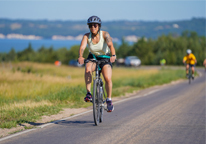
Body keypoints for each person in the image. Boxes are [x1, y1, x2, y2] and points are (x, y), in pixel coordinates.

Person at [78, 16, 116, 112]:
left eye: (95, 25)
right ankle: (89, 93)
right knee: (87, 69)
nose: (93, 27)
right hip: (93, 57)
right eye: (90, 25)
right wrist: (80, 56)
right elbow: (82, 47)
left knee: (107, 78)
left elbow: (111, 45)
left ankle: (109, 99)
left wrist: (113, 55)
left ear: (99, 26)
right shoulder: (86, 36)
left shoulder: (105, 34)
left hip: (105, 58)